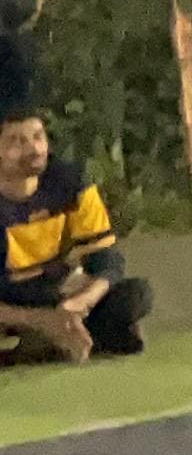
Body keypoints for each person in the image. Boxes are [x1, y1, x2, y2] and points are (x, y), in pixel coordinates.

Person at [0, 107, 151, 366]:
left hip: (59, 295)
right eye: (17, 142)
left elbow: (107, 261)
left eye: (38, 137)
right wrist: (41, 320)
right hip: (10, 303)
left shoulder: (71, 184)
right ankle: (46, 342)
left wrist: (79, 304)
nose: (33, 149)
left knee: (135, 294)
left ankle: (50, 343)